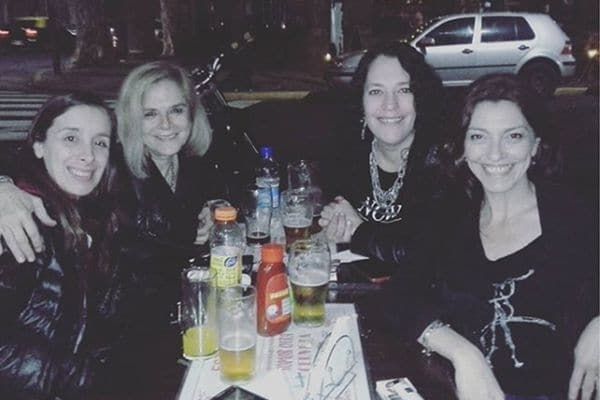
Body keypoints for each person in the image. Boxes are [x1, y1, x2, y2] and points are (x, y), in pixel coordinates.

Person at [376, 74, 598, 399]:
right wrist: (464, 354)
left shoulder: (577, 215)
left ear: (536, 146)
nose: (495, 154)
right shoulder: (452, 217)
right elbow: (399, 295)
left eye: (513, 136)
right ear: (463, 147)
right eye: (479, 137)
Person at [0, 93, 124, 398]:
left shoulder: (90, 217)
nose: (88, 155)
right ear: (39, 145)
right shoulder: (20, 222)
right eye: (71, 138)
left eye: (100, 142)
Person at [320, 41, 457, 267]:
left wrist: (359, 232)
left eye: (404, 90)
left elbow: (431, 254)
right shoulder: (345, 155)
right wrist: (335, 220)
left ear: (421, 97)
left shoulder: (445, 163)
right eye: (376, 91)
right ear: (361, 100)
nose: (390, 105)